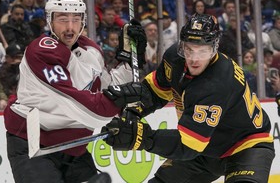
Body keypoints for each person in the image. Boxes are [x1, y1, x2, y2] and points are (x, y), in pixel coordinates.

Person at [102, 14, 275, 183]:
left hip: (246, 145)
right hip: (206, 147)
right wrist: (133, 110)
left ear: (214, 48)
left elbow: (188, 145)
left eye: (203, 51)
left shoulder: (217, 83)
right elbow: (156, 91)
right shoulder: (174, 58)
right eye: (189, 49)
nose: (194, 58)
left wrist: (141, 137)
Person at [3, 0, 147, 183]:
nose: (70, 27)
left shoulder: (90, 51)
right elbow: (80, 106)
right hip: (34, 145)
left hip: (74, 148)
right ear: (50, 21)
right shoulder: (41, 51)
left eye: (76, 19)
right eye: (63, 19)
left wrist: (131, 62)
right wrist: (118, 100)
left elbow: (106, 87)